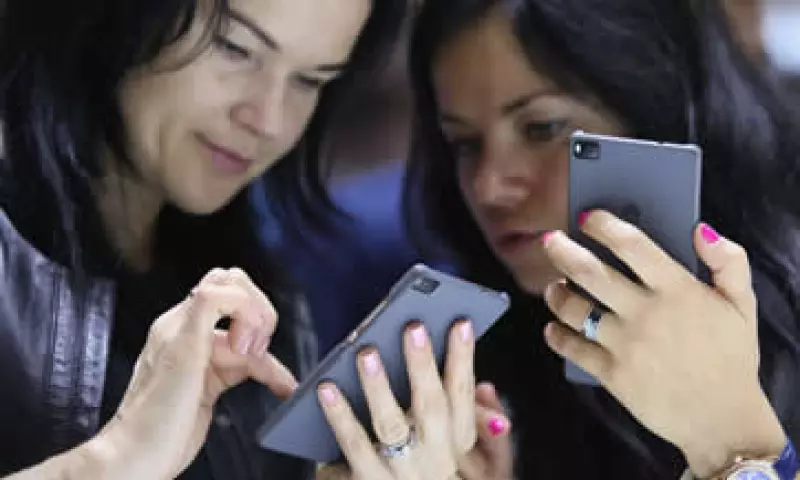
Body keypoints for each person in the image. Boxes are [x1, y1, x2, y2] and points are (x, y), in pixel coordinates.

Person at [0, 0, 472, 478]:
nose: (269, 120)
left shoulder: (265, 301)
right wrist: (114, 461)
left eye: (310, 81)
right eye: (235, 48)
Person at [405, 0, 800, 478]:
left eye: (542, 129)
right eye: (464, 144)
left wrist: (734, 442)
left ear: (657, 112)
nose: (488, 186)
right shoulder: (471, 363)